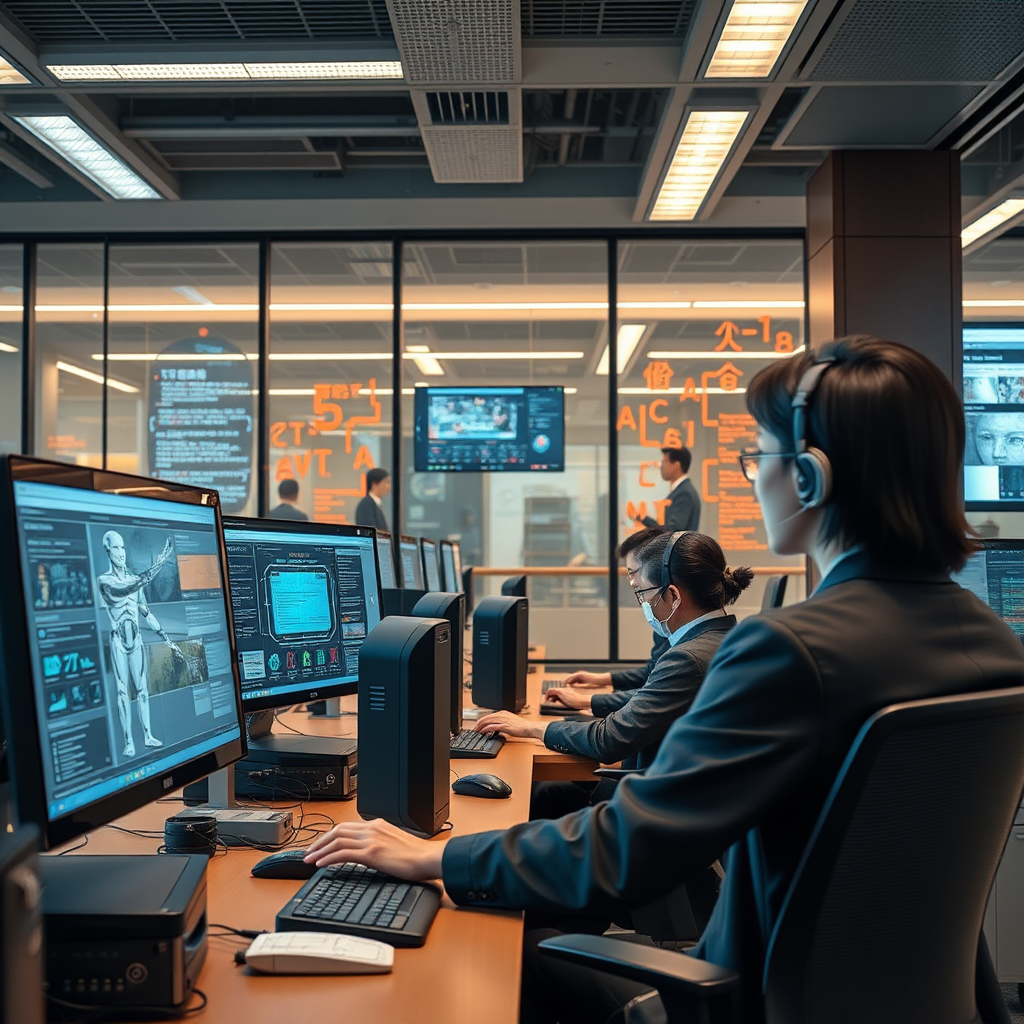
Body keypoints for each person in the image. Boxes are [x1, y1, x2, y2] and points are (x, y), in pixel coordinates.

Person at [302, 336, 1024, 1024]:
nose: (754, 476)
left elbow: (625, 851)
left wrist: (432, 856)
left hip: (748, 1001)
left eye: (755, 458)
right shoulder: (996, 642)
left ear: (806, 477)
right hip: (912, 1006)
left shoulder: (791, 652)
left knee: (494, 952)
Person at [474, 531, 750, 814]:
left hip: (649, 813)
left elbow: (610, 740)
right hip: (680, 800)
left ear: (673, 596)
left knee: (540, 799)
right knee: (546, 791)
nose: (642, 604)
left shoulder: (688, 657)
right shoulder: (724, 641)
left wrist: (530, 727)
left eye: (642, 593)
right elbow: (648, 702)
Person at [97, 532, 182, 758]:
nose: (121, 553)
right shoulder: (105, 581)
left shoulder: (134, 580)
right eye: (116, 548)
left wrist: (167, 639)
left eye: (123, 548)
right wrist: (160, 562)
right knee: (123, 691)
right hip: (118, 641)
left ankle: (148, 735)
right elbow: (124, 591)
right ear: (108, 551)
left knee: (143, 690)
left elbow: (145, 612)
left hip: (136, 640)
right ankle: (128, 742)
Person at [636, 445, 700, 532]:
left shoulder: (684, 493)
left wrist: (644, 519)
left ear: (676, 466)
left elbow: (672, 531)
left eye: (664, 462)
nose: (661, 466)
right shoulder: (681, 490)